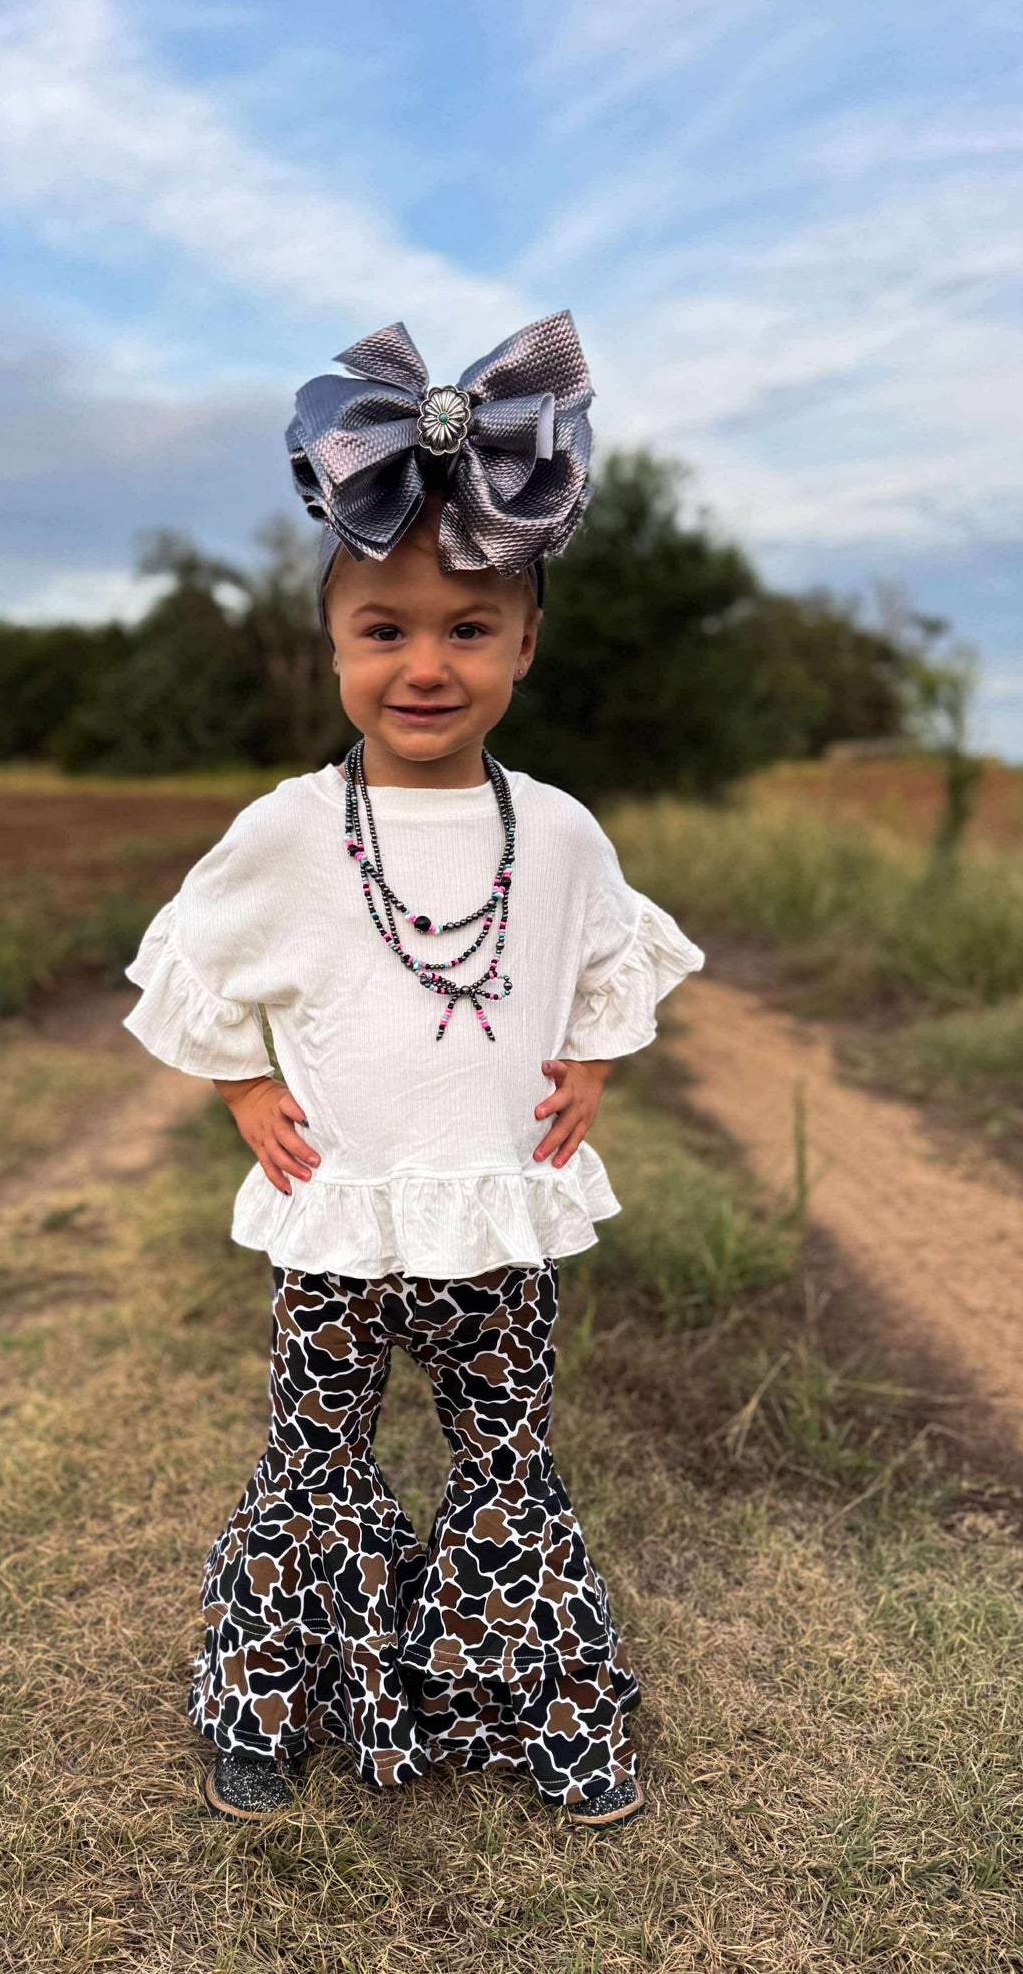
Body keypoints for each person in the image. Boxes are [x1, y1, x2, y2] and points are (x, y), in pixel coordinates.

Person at [122, 313, 704, 1830]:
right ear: (332, 649)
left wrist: (588, 1060)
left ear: (524, 645)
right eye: (384, 630)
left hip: (498, 1220)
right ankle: (272, 1696)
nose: (425, 665)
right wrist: (245, 1088)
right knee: (313, 1460)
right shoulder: (287, 830)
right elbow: (195, 956)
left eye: (468, 630)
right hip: (338, 1221)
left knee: (506, 1459)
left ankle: (540, 1707)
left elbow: (604, 955)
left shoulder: (558, 831)